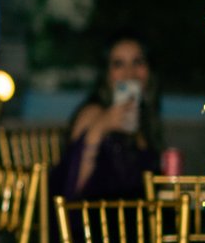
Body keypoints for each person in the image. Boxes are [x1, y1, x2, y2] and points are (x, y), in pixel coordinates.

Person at [55, 33, 163, 197]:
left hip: (134, 217)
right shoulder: (93, 112)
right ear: (106, 74)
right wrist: (101, 126)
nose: (130, 73)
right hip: (96, 218)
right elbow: (71, 188)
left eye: (138, 62)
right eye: (118, 64)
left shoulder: (145, 118)